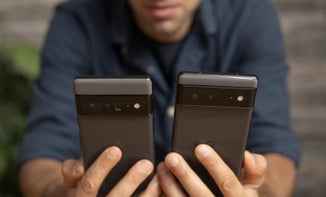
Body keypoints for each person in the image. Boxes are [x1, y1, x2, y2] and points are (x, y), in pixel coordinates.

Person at [18, 0, 300, 196]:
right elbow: (42, 154)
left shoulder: (251, 15)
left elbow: (275, 145)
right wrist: (64, 193)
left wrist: (256, 194)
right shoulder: (77, 21)